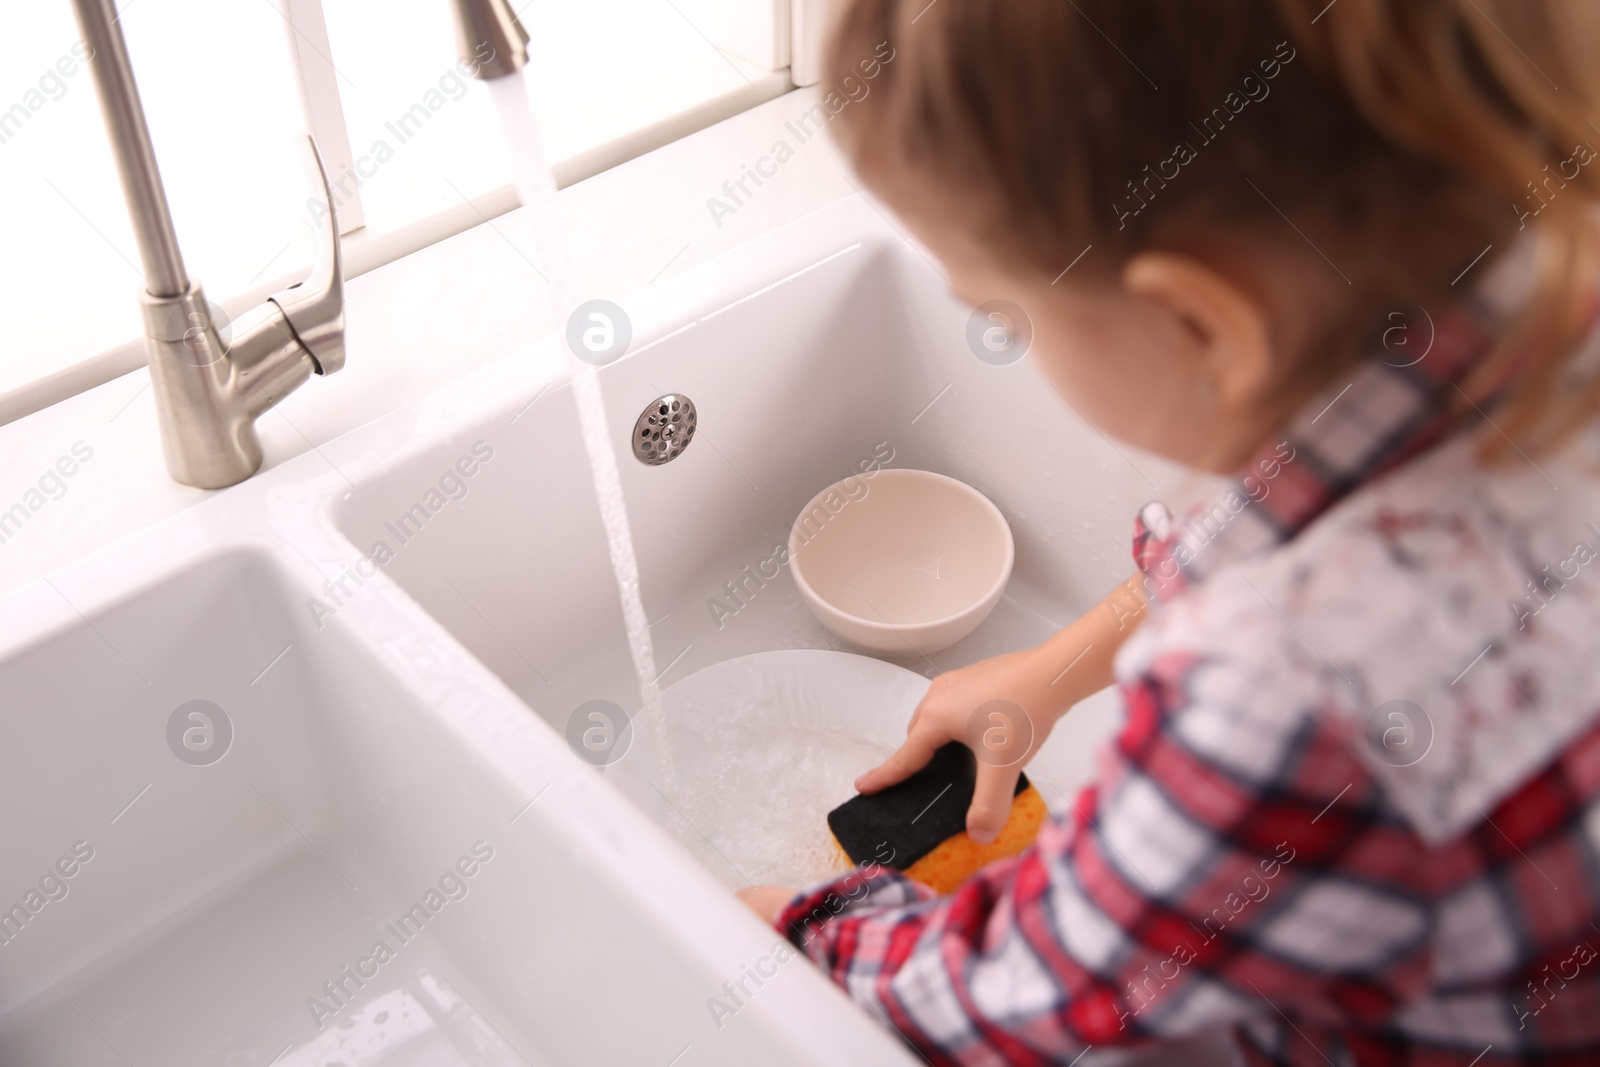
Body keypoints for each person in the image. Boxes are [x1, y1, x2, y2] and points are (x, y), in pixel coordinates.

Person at [735, 2, 1600, 1063]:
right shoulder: (1526, 292)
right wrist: (1053, 670)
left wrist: (790, 920)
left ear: (1203, 327)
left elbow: (1028, 997)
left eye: (1004, 314)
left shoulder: (1284, 704)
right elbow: (1320, 497)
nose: (1004, 334)